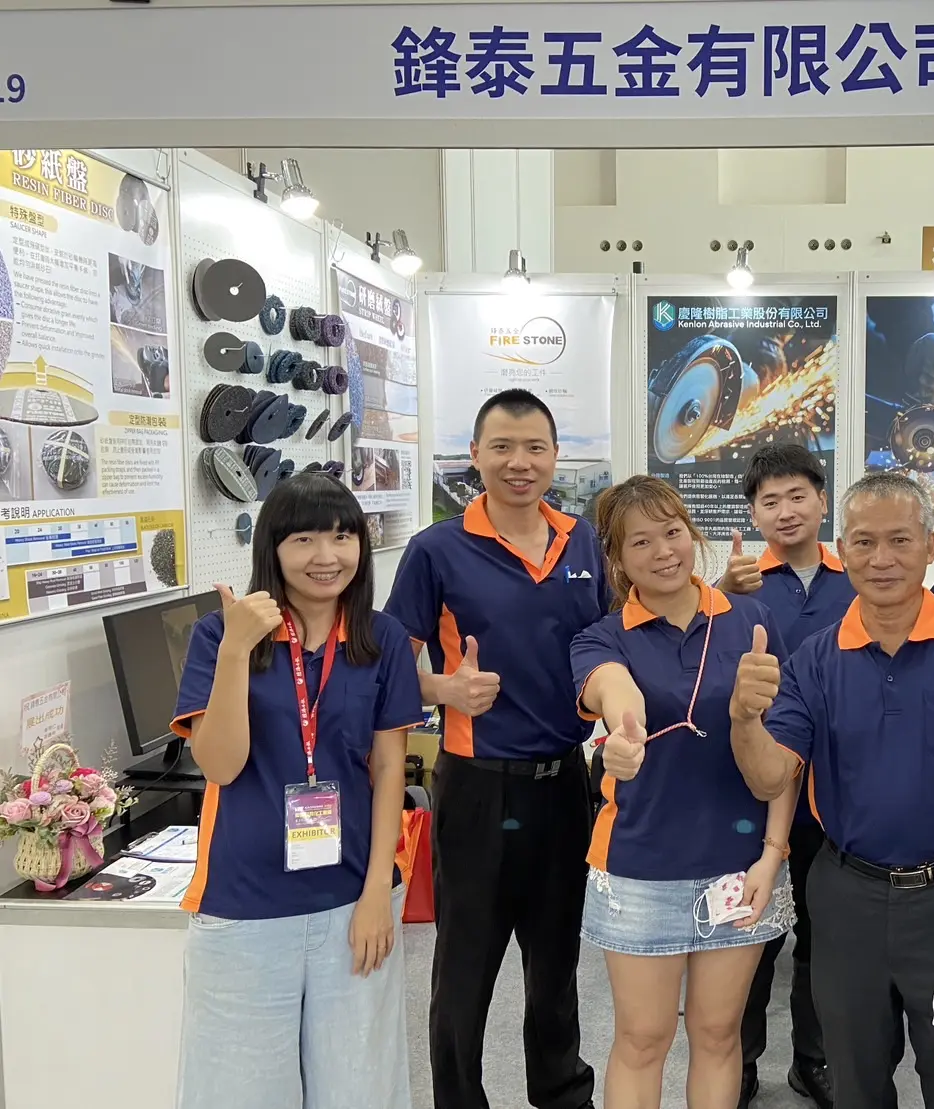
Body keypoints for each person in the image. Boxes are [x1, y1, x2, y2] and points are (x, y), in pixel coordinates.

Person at [728, 472, 934, 1109]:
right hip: (846, 898)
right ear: (843, 550)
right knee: (853, 1083)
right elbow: (770, 777)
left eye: (900, 540)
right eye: (864, 542)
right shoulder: (815, 660)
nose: (881, 558)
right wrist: (744, 719)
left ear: (931, 546)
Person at [170, 473, 424, 1109]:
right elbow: (220, 765)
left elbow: (389, 769)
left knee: (359, 1088)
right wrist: (236, 651)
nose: (326, 556)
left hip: (351, 897)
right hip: (244, 904)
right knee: (239, 1092)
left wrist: (377, 893)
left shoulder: (381, 639)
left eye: (342, 537)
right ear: (273, 548)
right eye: (304, 539)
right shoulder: (218, 636)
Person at [385, 389, 602, 1109]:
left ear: (554, 456)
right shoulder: (436, 549)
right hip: (478, 787)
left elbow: (611, 641)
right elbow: (388, 670)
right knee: (464, 968)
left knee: (557, 962)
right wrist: (443, 688)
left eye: (535, 447)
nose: (519, 462)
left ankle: (562, 1092)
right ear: (475, 455)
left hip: (565, 782)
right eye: (502, 447)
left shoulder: (582, 540)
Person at [572, 475, 800, 1109]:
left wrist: (773, 854)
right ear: (617, 559)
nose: (663, 551)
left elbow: (787, 749)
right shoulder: (603, 637)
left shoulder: (752, 621)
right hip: (639, 870)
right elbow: (609, 686)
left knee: (719, 1034)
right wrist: (624, 730)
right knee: (642, 1039)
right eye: (640, 541)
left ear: (691, 533)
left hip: (739, 868)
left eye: (671, 532)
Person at [718, 444, 855, 1109]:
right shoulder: (739, 585)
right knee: (751, 931)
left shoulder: (857, 576)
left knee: (825, 936)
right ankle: (738, 1062)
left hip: (837, 788)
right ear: (753, 514)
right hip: (757, 787)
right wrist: (720, 594)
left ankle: (814, 1059)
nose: (785, 511)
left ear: (822, 500)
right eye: (769, 501)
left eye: (797, 495)